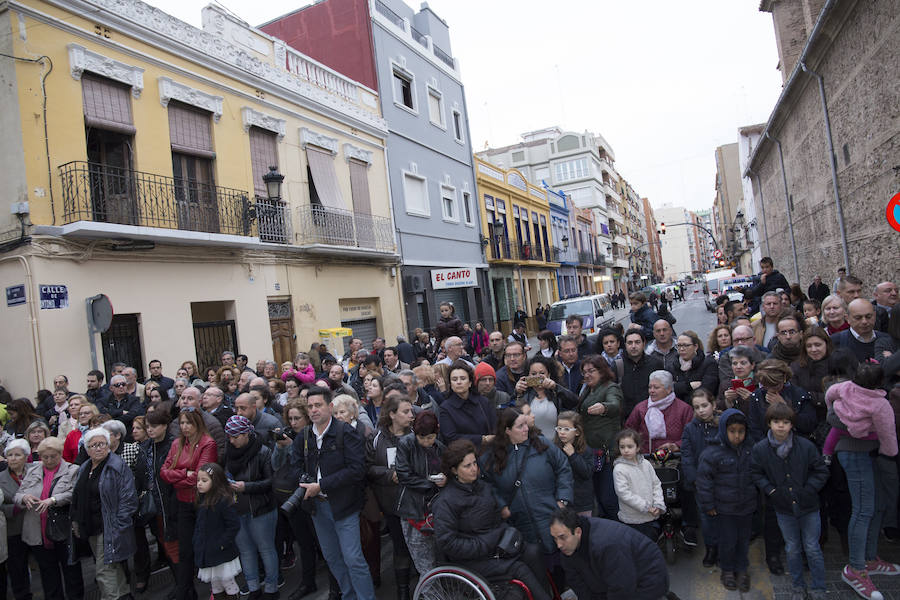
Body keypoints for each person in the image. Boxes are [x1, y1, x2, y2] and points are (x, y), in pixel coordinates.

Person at [432, 439, 551, 600]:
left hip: (496, 546)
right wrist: (483, 545)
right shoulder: (446, 501)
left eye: (475, 463)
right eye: (467, 466)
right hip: (471, 559)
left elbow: (498, 520)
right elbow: (448, 543)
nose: (474, 469)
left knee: (533, 552)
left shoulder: (484, 487)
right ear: (454, 470)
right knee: (518, 568)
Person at [288, 385, 374, 600]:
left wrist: (322, 485)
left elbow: (357, 470)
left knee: (353, 558)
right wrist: (304, 482)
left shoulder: (346, 432)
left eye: (318, 405)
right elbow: (294, 465)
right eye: (310, 406)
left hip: (344, 506)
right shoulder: (305, 435)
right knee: (332, 558)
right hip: (317, 507)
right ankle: (349, 595)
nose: (314, 410)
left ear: (330, 406)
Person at [824, 362, 900, 599]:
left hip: (858, 451)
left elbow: (829, 395)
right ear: (880, 384)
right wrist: (889, 453)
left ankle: (869, 558)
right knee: (864, 510)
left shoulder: (844, 388)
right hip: (857, 453)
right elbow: (888, 436)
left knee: (876, 505)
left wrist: (834, 409)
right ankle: (855, 569)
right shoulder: (880, 404)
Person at [750, 403, 829, 600]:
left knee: (812, 548)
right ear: (769, 423)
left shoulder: (806, 446)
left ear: (792, 425)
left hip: (808, 506)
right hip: (783, 507)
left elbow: (820, 471)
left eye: (786, 422)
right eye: (776, 422)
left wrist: (809, 489)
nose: (781, 426)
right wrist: (771, 490)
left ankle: (819, 588)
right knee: (792, 548)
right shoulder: (761, 449)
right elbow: (756, 473)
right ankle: (797, 586)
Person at [479, 408, 573, 566]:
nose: (526, 429)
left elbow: (563, 467)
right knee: (535, 565)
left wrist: (562, 499)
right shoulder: (491, 457)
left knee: (562, 565)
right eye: (520, 426)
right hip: (519, 523)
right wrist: (501, 505)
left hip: (551, 516)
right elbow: (485, 484)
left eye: (525, 424)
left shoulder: (541, 444)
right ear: (507, 430)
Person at [71, 427, 137, 600]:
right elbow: (77, 495)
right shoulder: (86, 466)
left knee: (103, 570)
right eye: (93, 445)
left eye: (102, 444)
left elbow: (128, 497)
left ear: (108, 445)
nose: (98, 448)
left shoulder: (116, 465)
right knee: (111, 567)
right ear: (87, 449)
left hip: (110, 526)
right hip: (91, 526)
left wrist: (120, 523)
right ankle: (123, 595)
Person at [550, 506, 670, 600]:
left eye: (562, 537)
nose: (558, 545)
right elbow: (578, 584)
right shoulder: (567, 547)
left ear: (578, 532)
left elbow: (622, 588)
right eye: (554, 538)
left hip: (648, 576)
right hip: (615, 579)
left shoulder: (606, 544)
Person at [160, 408, 219, 600]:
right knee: (185, 550)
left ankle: (216, 590)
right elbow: (163, 472)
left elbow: (200, 477)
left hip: (202, 503)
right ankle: (185, 591)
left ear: (197, 423)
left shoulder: (207, 443)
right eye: (182, 423)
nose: (185, 427)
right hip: (182, 502)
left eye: (189, 423)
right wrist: (184, 474)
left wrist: (179, 476)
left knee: (208, 547)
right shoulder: (177, 443)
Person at [696, 408, 756, 593]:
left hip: (746, 506)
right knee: (728, 541)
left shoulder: (751, 450)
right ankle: (728, 570)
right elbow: (704, 482)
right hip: (724, 508)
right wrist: (709, 505)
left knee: (743, 541)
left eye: (741, 431)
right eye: (732, 431)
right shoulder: (712, 453)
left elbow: (758, 476)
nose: (737, 436)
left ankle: (742, 569)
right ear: (723, 430)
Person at [15, 437, 83, 600]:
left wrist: (53, 500)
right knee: (48, 573)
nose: (49, 460)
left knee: (71, 570)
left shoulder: (73, 470)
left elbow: (74, 494)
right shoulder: (32, 470)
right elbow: (18, 494)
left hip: (63, 529)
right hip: (38, 530)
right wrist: (24, 498)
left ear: (60, 454)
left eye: (53, 456)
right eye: (45, 457)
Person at [222, 415, 279, 600]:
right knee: (245, 551)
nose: (232, 441)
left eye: (235, 437)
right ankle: (253, 587)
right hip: (237, 509)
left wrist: (246, 487)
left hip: (261, 508)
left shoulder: (263, 452)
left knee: (266, 549)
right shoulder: (228, 453)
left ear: (246, 434)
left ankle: (271, 587)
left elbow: (271, 482)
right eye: (229, 437)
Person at [367, 394, 415, 599]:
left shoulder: (416, 434)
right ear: (392, 414)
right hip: (392, 503)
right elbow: (367, 467)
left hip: (416, 502)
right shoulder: (376, 438)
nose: (412, 415)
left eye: (411, 411)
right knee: (400, 546)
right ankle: (402, 591)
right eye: (406, 412)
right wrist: (389, 475)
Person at [395, 411, 445, 577]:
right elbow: (403, 475)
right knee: (423, 561)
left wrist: (445, 479)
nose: (426, 442)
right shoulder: (406, 444)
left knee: (439, 558)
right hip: (413, 508)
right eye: (421, 438)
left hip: (436, 507)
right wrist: (430, 483)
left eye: (430, 437)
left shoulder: (439, 446)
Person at [577, 355, 622, 520]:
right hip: (591, 452)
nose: (587, 375)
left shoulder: (611, 388)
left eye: (591, 371)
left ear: (602, 371)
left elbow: (615, 404)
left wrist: (604, 407)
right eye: (584, 372)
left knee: (608, 498)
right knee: (598, 499)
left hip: (606, 453)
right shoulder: (588, 389)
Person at [681, 388, 721, 567]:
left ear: (713, 404)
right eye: (697, 407)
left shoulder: (722, 424)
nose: (701, 410)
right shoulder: (690, 428)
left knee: (725, 517)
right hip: (701, 483)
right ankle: (711, 548)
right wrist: (695, 479)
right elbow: (687, 455)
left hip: (722, 481)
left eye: (704, 405)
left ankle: (725, 549)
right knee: (706, 518)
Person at [194, 463, 242, 600]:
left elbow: (234, 525)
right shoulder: (202, 500)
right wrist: (197, 543)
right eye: (198, 480)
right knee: (216, 585)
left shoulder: (223, 501)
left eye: (204, 481)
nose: (199, 484)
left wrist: (221, 544)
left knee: (228, 582)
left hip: (221, 552)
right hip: (208, 552)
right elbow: (199, 526)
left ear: (215, 482)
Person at [612, 428, 665, 541]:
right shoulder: (619, 468)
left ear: (638, 447)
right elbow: (624, 494)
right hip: (632, 518)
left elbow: (656, 484)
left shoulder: (646, 464)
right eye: (622, 447)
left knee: (650, 545)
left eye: (630, 446)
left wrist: (658, 504)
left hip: (651, 516)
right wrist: (646, 507)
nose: (626, 450)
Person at [624, 370, 694, 454]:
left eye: (656, 387)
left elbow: (692, 436)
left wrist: (677, 445)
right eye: (650, 387)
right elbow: (628, 432)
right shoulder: (640, 408)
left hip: (676, 458)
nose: (651, 391)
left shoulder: (684, 409)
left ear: (668, 389)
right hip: (645, 458)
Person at [748, 359, 817, 443]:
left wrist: (785, 406)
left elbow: (809, 425)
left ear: (784, 378)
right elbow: (754, 427)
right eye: (765, 386)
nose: (770, 390)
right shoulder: (757, 396)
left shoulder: (799, 394)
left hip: (796, 443)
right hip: (766, 446)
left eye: (774, 385)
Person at [0, 439, 34, 600]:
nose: (13, 458)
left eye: (17, 455)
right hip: (13, 529)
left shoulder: (36, 472)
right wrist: (16, 507)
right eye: (10, 455)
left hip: (36, 526)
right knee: (17, 569)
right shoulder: (1, 478)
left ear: (26, 457)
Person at [515, 355, 578, 439]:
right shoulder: (524, 394)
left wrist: (556, 387)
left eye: (542, 373)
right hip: (531, 444)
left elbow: (574, 402)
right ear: (528, 376)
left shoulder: (556, 391)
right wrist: (517, 393)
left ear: (549, 374)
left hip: (555, 443)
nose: (538, 376)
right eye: (533, 374)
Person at [439, 361, 496, 450]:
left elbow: (494, 426)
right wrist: (482, 439)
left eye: (462, 378)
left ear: (470, 382)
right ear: (450, 384)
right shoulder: (445, 408)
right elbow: (450, 437)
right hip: (463, 455)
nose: (458, 382)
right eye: (454, 379)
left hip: (487, 453)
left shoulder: (483, 402)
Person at [616, 331, 664, 425]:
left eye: (637, 342)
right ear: (625, 345)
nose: (633, 346)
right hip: (627, 420)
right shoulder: (618, 366)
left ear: (644, 343)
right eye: (630, 343)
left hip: (652, 417)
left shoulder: (655, 364)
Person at [553, 411, 594, 516]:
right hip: (562, 500)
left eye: (567, 429)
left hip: (582, 502)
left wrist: (573, 455)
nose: (562, 432)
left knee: (583, 528)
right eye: (559, 428)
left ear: (577, 432)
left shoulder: (585, 450)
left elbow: (587, 473)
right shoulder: (554, 449)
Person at [832, 298, 896, 363]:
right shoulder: (836, 341)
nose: (864, 321)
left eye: (868, 316)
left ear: (874, 315)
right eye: (858, 318)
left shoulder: (888, 340)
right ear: (847, 318)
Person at [668, 330, 718, 402]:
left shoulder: (709, 364)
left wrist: (679, 388)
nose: (682, 349)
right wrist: (689, 386)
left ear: (695, 347)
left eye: (686, 345)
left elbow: (706, 390)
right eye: (679, 345)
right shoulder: (672, 366)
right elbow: (668, 390)